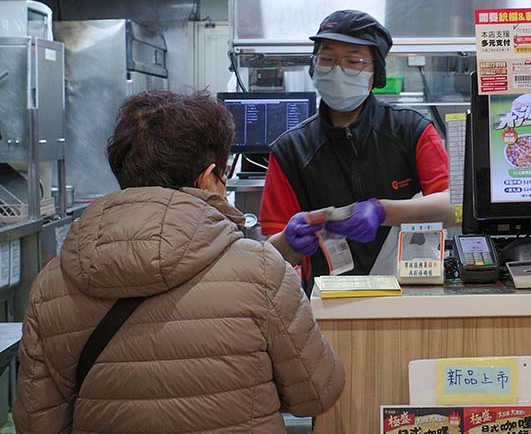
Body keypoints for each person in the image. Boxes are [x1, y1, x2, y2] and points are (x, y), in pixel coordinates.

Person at [15, 90, 344, 434]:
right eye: (224, 173)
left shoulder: (52, 285)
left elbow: (37, 422)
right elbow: (316, 393)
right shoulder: (261, 270)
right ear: (209, 177)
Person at [262, 10, 453, 282]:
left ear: (375, 73)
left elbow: (453, 207)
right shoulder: (291, 149)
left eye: (353, 61)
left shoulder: (411, 130)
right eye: (326, 59)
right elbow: (272, 256)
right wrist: (289, 240)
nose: (337, 70)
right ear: (314, 66)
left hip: (409, 291)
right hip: (328, 298)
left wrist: (383, 211)